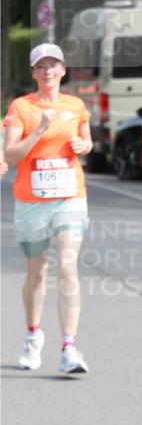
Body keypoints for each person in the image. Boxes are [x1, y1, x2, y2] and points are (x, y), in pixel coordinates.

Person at [3, 43, 93, 374]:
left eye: (53, 65)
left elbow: (87, 142)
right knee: (37, 271)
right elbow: (11, 155)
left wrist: (84, 145)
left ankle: (69, 347)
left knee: (67, 268)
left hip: (70, 197)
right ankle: (32, 336)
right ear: (33, 73)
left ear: (63, 70)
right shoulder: (22, 108)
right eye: (41, 66)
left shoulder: (76, 105)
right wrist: (40, 129)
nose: (48, 71)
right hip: (31, 202)